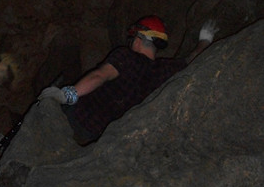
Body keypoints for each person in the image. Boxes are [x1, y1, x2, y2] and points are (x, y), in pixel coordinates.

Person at [39, 15, 218, 145]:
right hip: (99, 137)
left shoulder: (126, 56)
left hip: (77, 118)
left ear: (139, 40)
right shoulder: (164, 71)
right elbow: (192, 60)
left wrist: (67, 94)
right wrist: (205, 40)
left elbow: (99, 76)